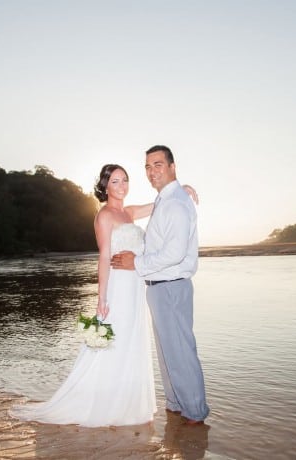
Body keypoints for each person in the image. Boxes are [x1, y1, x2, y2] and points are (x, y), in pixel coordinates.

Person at [9, 163, 197, 427]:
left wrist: (181, 190)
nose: (122, 186)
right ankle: (103, 401)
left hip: (135, 286)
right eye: (116, 182)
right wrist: (101, 298)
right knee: (112, 339)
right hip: (119, 287)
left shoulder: (129, 213)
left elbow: (160, 203)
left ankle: (127, 399)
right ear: (105, 186)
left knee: (131, 338)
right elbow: (104, 257)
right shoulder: (104, 216)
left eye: (125, 180)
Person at [111, 145, 210, 425]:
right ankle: (177, 405)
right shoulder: (167, 200)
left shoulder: (176, 202)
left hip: (170, 286)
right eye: (147, 167)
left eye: (158, 165)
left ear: (172, 166)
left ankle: (194, 413)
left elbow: (175, 253)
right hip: (159, 287)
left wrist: (136, 264)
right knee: (169, 353)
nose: (151, 171)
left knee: (180, 351)